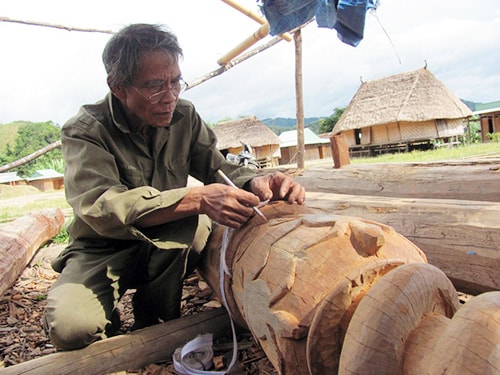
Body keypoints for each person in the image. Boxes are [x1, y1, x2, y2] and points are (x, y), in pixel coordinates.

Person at [43, 23, 306, 350]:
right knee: (71, 329)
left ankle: (156, 318)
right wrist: (196, 198)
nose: (169, 97)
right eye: (155, 86)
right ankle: (110, 332)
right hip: (103, 246)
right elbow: (103, 206)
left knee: (195, 228)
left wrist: (256, 181)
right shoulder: (86, 130)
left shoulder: (184, 116)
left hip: (167, 235)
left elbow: (217, 168)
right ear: (118, 86)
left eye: (175, 82)